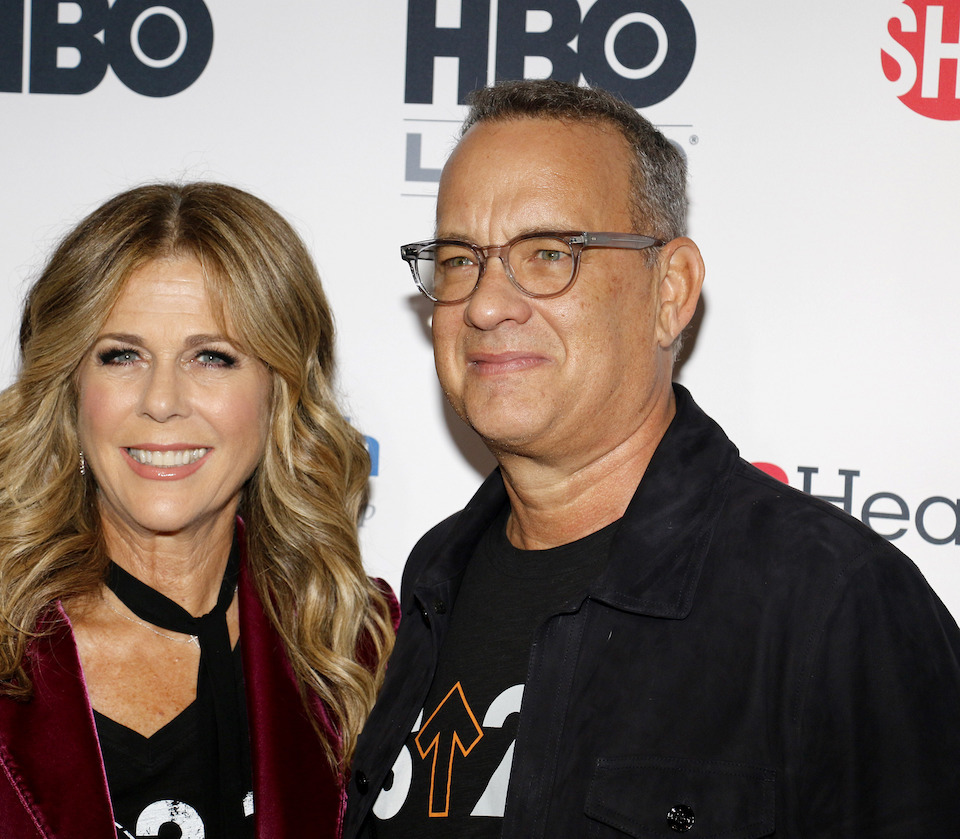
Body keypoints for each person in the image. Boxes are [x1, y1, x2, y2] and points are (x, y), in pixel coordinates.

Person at [344, 80, 960, 838]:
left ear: (670, 292)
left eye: (548, 253)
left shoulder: (832, 606)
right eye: (459, 258)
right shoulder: (436, 575)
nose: (484, 303)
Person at [0, 182, 397, 839]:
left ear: (278, 393)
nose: (162, 400)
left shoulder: (363, 645)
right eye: (122, 355)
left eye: (212, 357)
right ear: (70, 389)